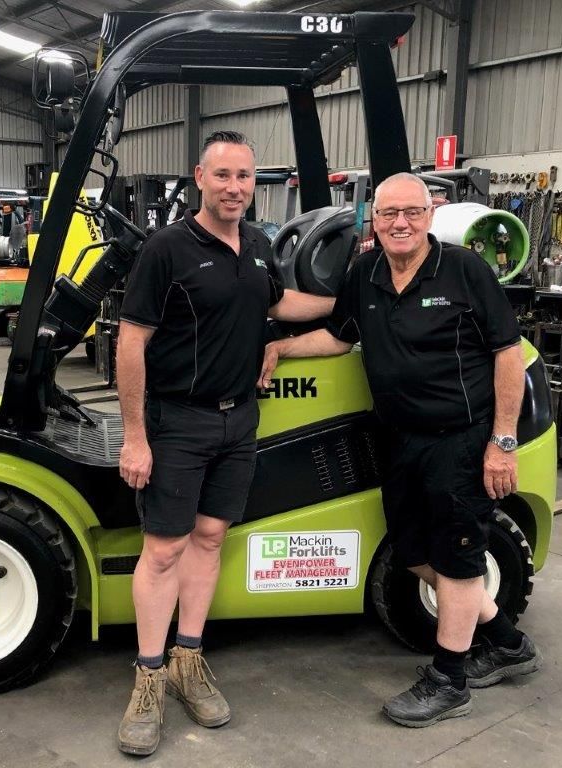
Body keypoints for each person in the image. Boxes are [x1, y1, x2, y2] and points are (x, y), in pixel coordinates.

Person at [260, 172, 541, 728]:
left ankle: (450, 679)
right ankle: (508, 643)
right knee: (414, 554)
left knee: (459, 558)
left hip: (461, 439)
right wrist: (280, 348)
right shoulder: (365, 274)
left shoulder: (464, 270)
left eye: (412, 212)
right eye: (389, 213)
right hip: (399, 438)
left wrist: (502, 443)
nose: (400, 223)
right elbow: (339, 336)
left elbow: (507, 353)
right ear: (375, 219)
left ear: (430, 214)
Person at [115, 130, 335, 755]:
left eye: (244, 177)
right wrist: (136, 437)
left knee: (210, 537)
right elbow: (131, 344)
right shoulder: (167, 249)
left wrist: (347, 300)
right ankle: (149, 678)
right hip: (178, 422)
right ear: (199, 178)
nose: (235, 188)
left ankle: (187, 659)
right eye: (223, 176)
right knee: (164, 549)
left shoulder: (258, 245)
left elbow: (278, 303)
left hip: (239, 421)